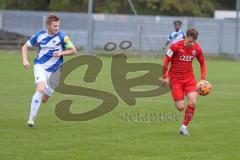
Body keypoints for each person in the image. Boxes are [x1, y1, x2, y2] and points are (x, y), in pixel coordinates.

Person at [22, 14, 77, 127]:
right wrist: (25, 60)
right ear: (48, 25)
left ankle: (36, 99)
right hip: (40, 66)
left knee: (45, 99)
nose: (57, 28)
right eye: (54, 26)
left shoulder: (62, 37)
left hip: (55, 71)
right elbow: (25, 47)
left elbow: (73, 50)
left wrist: (61, 53)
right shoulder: (39, 36)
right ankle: (31, 119)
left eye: (58, 26)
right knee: (41, 89)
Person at [161, 28, 206, 136]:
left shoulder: (197, 48)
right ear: (186, 37)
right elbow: (166, 60)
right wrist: (164, 76)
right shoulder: (175, 46)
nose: (192, 43)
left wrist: (203, 78)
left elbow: (202, 63)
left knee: (193, 102)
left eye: (194, 41)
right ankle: (180, 102)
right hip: (175, 80)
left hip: (189, 79)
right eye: (190, 41)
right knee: (180, 107)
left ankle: (184, 127)